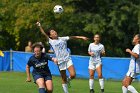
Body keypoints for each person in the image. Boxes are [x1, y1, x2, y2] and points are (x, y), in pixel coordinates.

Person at [36, 21, 88, 93]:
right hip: (60, 61)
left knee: (73, 75)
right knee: (63, 78)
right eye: (52, 32)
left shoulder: (62, 38)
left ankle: (69, 79)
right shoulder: (51, 41)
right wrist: (40, 26)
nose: (54, 32)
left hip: (67, 59)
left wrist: (81, 37)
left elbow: (72, 37)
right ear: (50, 36)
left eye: (54, 31)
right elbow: (44, 33)